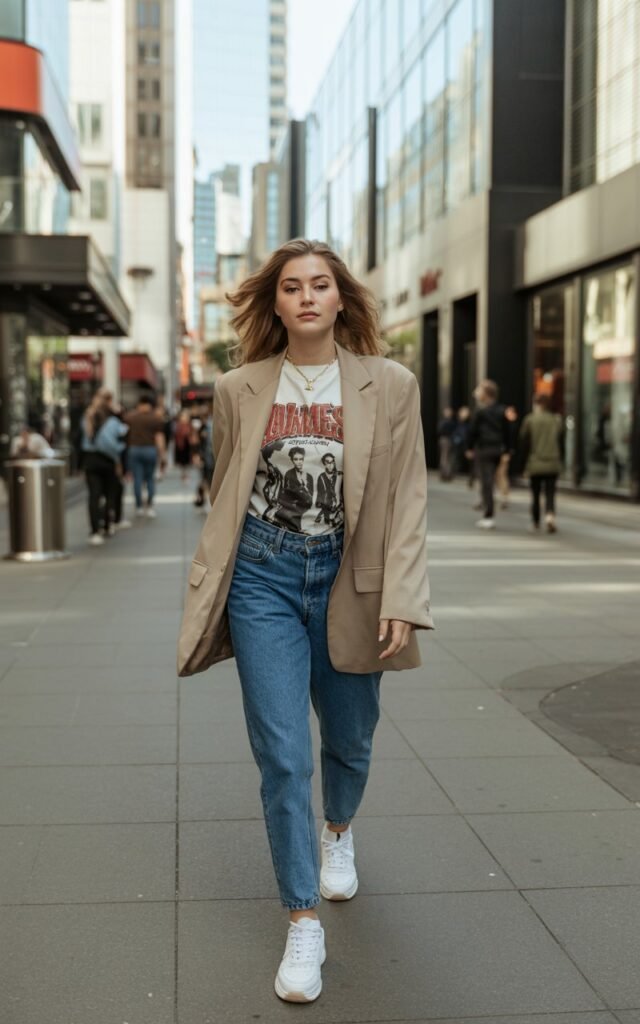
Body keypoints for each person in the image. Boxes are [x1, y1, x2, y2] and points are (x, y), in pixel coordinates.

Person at [177, 238, 433, 1004]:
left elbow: (410, 495)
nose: (308, 297)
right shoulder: (239, 388)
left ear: (342, 298)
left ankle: (339, 830)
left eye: (321, 284)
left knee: (350, 736)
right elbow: (228, 489)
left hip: (351, 575)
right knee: (284, 756)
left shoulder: (390, 385)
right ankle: (301, 920)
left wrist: (403, 596)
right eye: (292, 287)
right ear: (276, 302)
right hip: (264, 575)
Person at [81, 389, 128, 545]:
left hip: (90, 460)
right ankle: (107, 525)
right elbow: (111, 444)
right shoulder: (113, 422)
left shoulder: (86, 418)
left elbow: (81, 440)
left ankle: (95, 530)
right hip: (107, 461)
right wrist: (118, 455)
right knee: (109, 494)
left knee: (94, 496)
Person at [466, 379, 510, 529]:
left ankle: (488, 514)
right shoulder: (502, 410)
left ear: (486, 394)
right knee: (491, 480)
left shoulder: (480, 411)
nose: (475, 393)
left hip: (484, 450)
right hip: (498, 449)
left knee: (487, 482)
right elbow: (508, 432)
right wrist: (508, 450)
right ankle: (491, 505)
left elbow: (473, 432)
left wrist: (469, 448)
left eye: (479, 390)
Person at [519, 394, 563, 533]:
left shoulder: (530, 420)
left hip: (535, 462)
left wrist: (523, 464)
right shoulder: (556, 420)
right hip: (552, 461)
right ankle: (550, 515)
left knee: (535, 493)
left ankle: (536, 521)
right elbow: (561, 441)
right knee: (550, 492)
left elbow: (524, 443)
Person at [123, 394, 165, 518]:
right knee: (150, 478)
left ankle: (139, 507)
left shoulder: (131, 418)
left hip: (134, 449)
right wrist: (162, 454)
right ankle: (150, 506)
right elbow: (159, 438)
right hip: (150, 450)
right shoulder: (156, 419)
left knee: (137, 479)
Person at [437, 407, 457, 481]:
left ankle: (445, 474)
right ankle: (445, 474)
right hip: (446, 439)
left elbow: (440, 430)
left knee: (445, 457)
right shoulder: (449, 422)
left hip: (446, 439)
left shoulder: (448, 422)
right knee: (446, 457)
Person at [173, 410, 193, 480]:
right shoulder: (179, 425)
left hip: (187, 443)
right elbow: (176, 434)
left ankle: (186, 474)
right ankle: (183, 473)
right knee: (182, 460)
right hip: (181, 443)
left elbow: (192, 433)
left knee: (187, 459)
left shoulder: (189, 425)